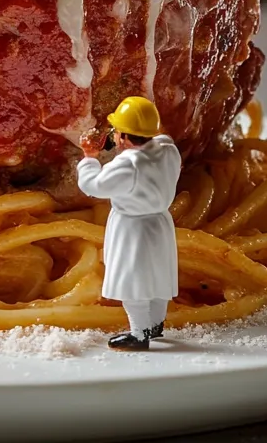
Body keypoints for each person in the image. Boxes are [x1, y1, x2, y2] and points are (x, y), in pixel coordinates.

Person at [77, 96, 181, 351]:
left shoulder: (129, 164)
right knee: (158, 277)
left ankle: (139, 333)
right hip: (160, 224)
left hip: (132, 227)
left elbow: (94, 186)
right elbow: (162, 138)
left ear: (124, 136)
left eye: (116, 131)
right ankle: (155, 325)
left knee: (132, 281)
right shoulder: (168, 150)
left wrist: (89, 157)